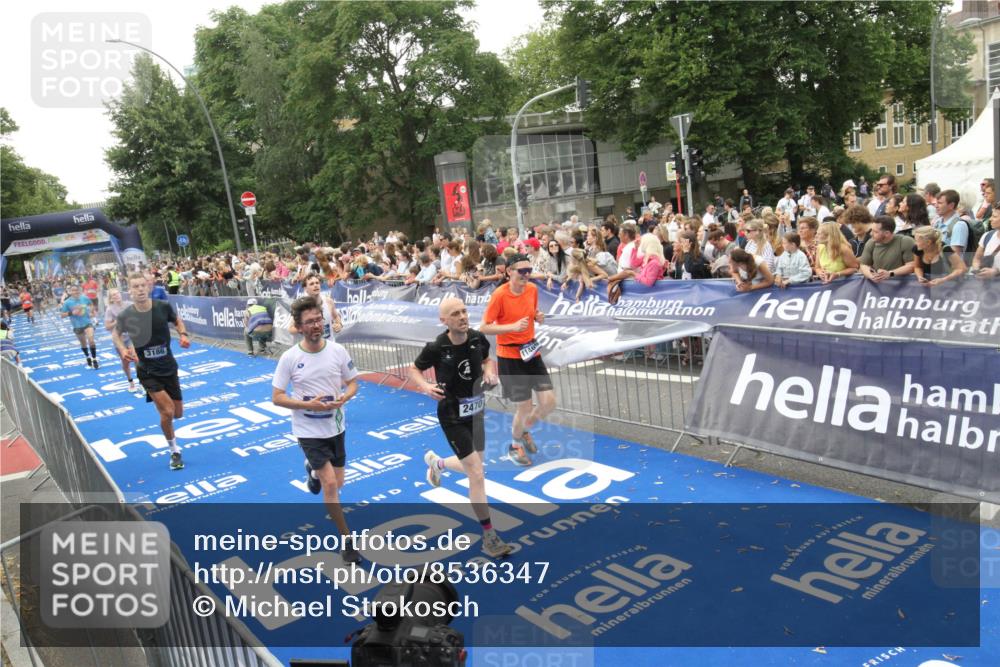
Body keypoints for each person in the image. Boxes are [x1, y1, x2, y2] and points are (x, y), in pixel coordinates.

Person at [409, 298, 514, 558]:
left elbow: (488, 360)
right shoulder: (436, 347)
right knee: (477, 474)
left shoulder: (478, 338)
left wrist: (490, 372)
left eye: (465, 311)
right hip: (452, 415)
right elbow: (414, 369)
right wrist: (425, 386)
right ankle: (489, 536)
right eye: (456, 314)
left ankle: (438, 464)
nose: (463, 317)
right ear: (444, 320)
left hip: (476, 412)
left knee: (476, 465)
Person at [272, 295, 362, 564]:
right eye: (309, 322)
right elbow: (277, 396)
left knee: (339, 482)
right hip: (307, 430)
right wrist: (305, 404)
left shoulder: (337, 351)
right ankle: (347, 541)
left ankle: (311, 470)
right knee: (331, 485)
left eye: (318, 319)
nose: (316, 325)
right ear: (299, 327)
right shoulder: (290, 358)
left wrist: (344, 398)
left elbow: (354, 383)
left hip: (336, 426)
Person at [480, 254, 554, 467]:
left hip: (531, 351)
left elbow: (532, 313)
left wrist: (538, 316)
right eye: (521, 271)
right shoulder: (499, 295)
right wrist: (511, 327)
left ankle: (523, 430)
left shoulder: (532, 289)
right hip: (510, 356)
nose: (526, 275)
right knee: (524, 406)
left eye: (529, 270)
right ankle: (514, 444)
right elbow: (484, 326)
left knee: (548, 402)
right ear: (510, 272)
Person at [112, 272, 191, 470]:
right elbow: (115, 334)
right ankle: (174, 451)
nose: (139, 289)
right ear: (129, 291)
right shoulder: (126, 315)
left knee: (178, 413)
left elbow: (177, 320)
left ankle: (164, 414)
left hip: (168, 366)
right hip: (146, 370)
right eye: (135, 287)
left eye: (142, 286)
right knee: (168, 411)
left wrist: (183, 334)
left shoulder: (162, 307)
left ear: (148, 287)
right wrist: (122, 349)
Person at [859, 216, 916, 282]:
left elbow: (912, 265)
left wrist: (890, 273)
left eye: (875, 232)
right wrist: (871, 276)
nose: (871, 234)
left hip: (902, 286)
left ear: (887, 233)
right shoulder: (871, 242)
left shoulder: (905, 241)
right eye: (871, 230)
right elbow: (864, 265)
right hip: (878, 286)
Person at [104, 288, 137, 392]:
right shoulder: (110, 309)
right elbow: (107, 326)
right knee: (126, 362)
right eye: (113, 295)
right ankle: (131, 382)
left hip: (131, 336)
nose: (116, 296)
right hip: (120, 339)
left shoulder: (129, 304)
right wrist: (117, 321)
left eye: (117, 293)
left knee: (137, 359)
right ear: (111, 298)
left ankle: (143, 381)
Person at [289, 274, 342, 339]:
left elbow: (336, 316)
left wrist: (339, 324)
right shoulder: (301, 306)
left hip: (328, 344)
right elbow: (291, 329)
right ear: (305, 289)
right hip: (311, 346)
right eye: (311, 284)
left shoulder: (328, 301)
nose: (315, 285)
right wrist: (306, 327)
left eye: (317, 283)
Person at [61, 283, 100, 369]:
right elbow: (62, 315)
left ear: (79, 290)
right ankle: (87, 357)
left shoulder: (84, 298)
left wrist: (92, 312)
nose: (75, 292)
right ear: (70, 292)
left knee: (91, 340)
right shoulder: (67, 302)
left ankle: (94, 359)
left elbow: (90, 304)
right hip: (77, 326)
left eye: (77, 290)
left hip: (87, 323)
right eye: (73, 290)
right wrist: (71, 313)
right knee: (83, 343)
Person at [970, 207, 1000, 280]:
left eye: (994, 216)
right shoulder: (987, 236)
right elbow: (977, 258)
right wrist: (977, 270)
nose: (990, 219)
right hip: (987, 287)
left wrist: (996, 272)